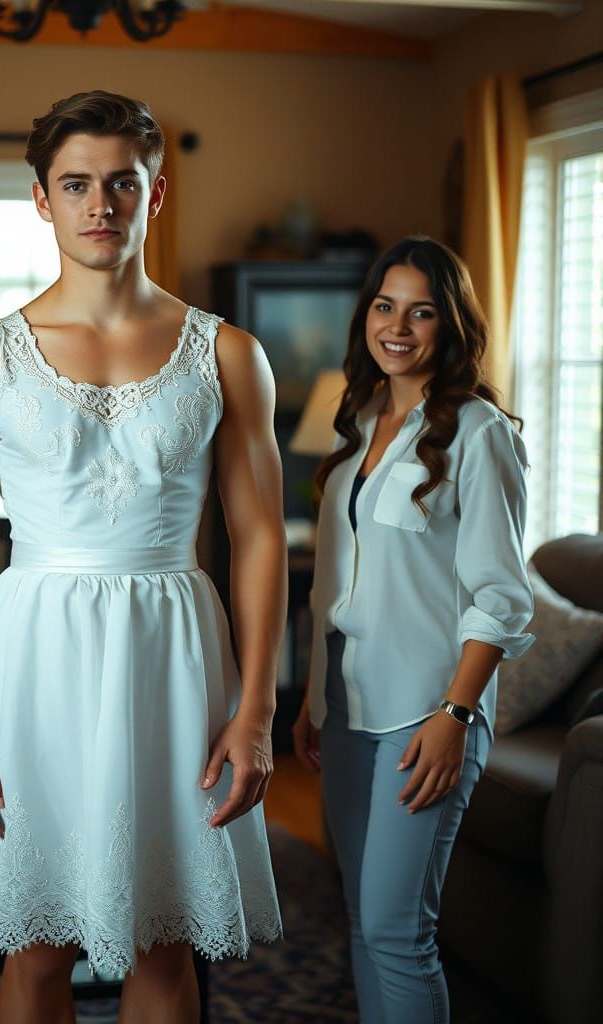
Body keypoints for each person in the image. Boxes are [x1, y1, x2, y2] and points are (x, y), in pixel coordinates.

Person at [0, 91, 286, 1024]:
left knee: (166, 942)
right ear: (42, 199)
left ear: (154, 195)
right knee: (36, 947)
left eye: (121, 184)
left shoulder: (230, 354)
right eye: (76, 184)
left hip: (173, 648)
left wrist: (255, 710)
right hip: (35, 649)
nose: (100, 205)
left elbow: (257, 542)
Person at [292, 236, 534, 1024]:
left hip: (424, 714)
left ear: (451, 325)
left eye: (421, 311)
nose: (398, 326)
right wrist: (310, 701)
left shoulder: (478, 431)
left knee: (399, 933)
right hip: (345, 707)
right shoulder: (356, 420)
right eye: (385, 306)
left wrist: (456, 715)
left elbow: (500, 595)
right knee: (364, 920)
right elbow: (336, 583)